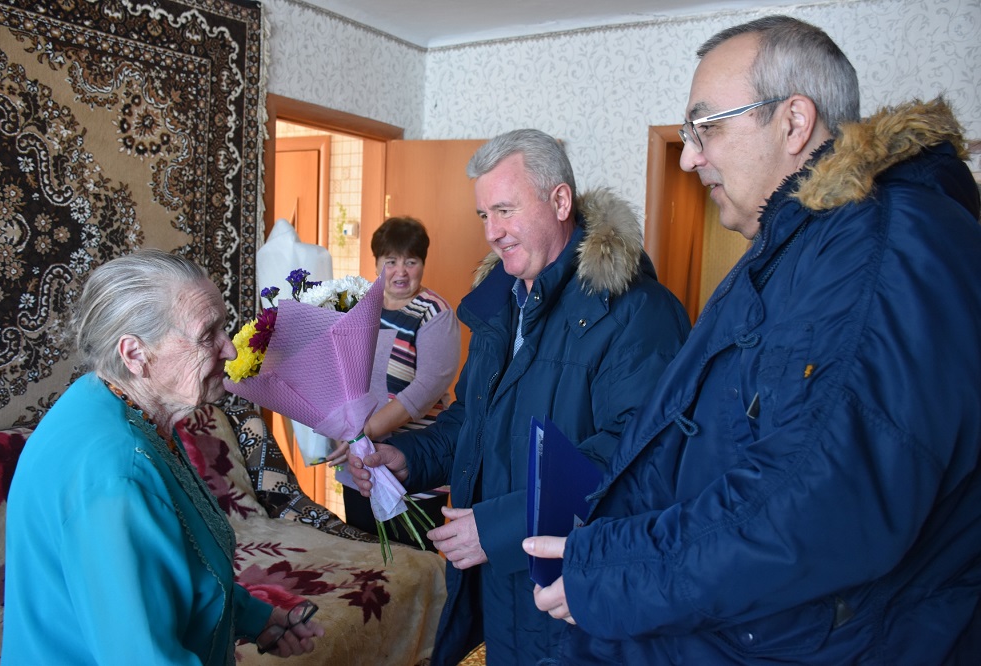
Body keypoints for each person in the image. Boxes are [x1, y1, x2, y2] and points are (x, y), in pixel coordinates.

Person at [525, 15, 981, 663]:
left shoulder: (880, 250)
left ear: (794, 122)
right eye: (686, 135)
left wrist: (613, 568)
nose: (688, 157)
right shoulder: (792, 250)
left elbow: (817, 502)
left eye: (706, 127)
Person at [349, 129, 691, 664]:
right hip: (501, 584)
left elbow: (640, 458)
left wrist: (502, 526)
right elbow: (472, 417)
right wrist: (408, 456)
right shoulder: (499, 304)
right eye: (484, 215)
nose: (491, 232)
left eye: (504, 210)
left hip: (573, 592)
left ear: (560, 201)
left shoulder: (636, 312)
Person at [2, 249, 324, 664]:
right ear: (134, 354)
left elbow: (178, 562)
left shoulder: (110, 403)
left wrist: (257, 618)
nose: (228, 350)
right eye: (208, 334)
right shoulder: (117, 474)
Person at [334, 216, 461, 547]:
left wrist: (364, 433)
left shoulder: (435, 313)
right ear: (377, 262)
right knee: (365, 567)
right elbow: (341, 378)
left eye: (411, 261)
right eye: (391, 261)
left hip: (414, 469)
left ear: (422, 264)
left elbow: (424, 391)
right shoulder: (360, 307)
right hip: (360, 468)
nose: (401, 271)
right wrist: (343, 433)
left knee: (412, 570)